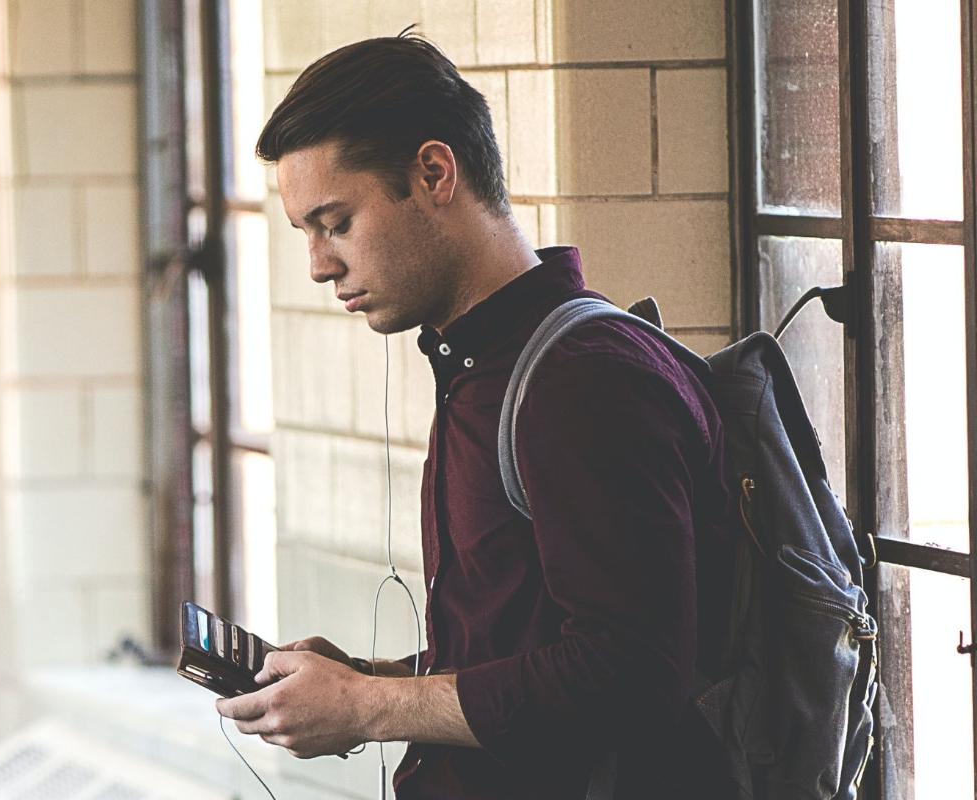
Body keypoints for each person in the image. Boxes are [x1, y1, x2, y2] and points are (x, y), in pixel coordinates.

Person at [214, 31, 738, 799]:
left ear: (433, 172)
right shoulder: (481, 369)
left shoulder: (583, 381)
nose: (320, 265)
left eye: (336, 222)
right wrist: (363, 683)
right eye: (306, 233)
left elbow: (630, 672)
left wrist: (368, 709)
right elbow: (521, 650)